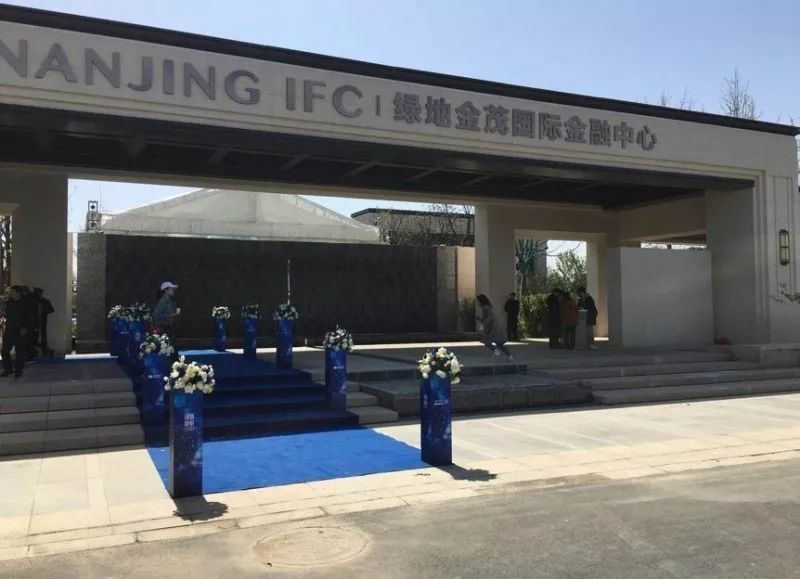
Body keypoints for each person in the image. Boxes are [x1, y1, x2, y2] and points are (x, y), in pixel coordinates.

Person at [1, 286, 36, 378]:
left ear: (18, 292)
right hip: (9, 330)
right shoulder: (9, 303)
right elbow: (6, 314)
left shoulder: (25, 303)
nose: (11, 293)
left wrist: (25, 328)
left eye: (12, 292)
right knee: (4, 350)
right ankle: (8, 369)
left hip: (20, 330)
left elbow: (29, 317)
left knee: (19, 352)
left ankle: (18, 371)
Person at [476, 294, 513, 361]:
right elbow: (487, 318)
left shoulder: (485, 307)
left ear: (481, 301)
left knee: (486, 341)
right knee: (499, 343)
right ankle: (509, 356)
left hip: (491, 327)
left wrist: (484, 323)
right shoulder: (487, 307)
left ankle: (496, 351)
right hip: (493, 326)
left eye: (478, 301)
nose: (477, 302)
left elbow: (489, 318)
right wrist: (480, 320)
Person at [32, 288, 54, 358]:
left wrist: (44, 310)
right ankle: (43, 350)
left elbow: (51, 310)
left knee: (43, 337)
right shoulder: (33, 301)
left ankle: (45, 350)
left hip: (42, 321)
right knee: (33, 338)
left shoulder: (45, 301)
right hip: (34, 322)